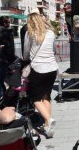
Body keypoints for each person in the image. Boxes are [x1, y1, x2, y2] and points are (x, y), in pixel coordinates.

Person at [23, 9, 58, 138]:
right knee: (46, 96)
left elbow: (26, 53)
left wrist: (26, 58)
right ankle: (46, 126)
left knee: (35, 98)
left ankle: (49, 119)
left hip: (38, 69)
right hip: (52, 69)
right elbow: (53, 50)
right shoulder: (50, 33)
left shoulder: (30, 34)